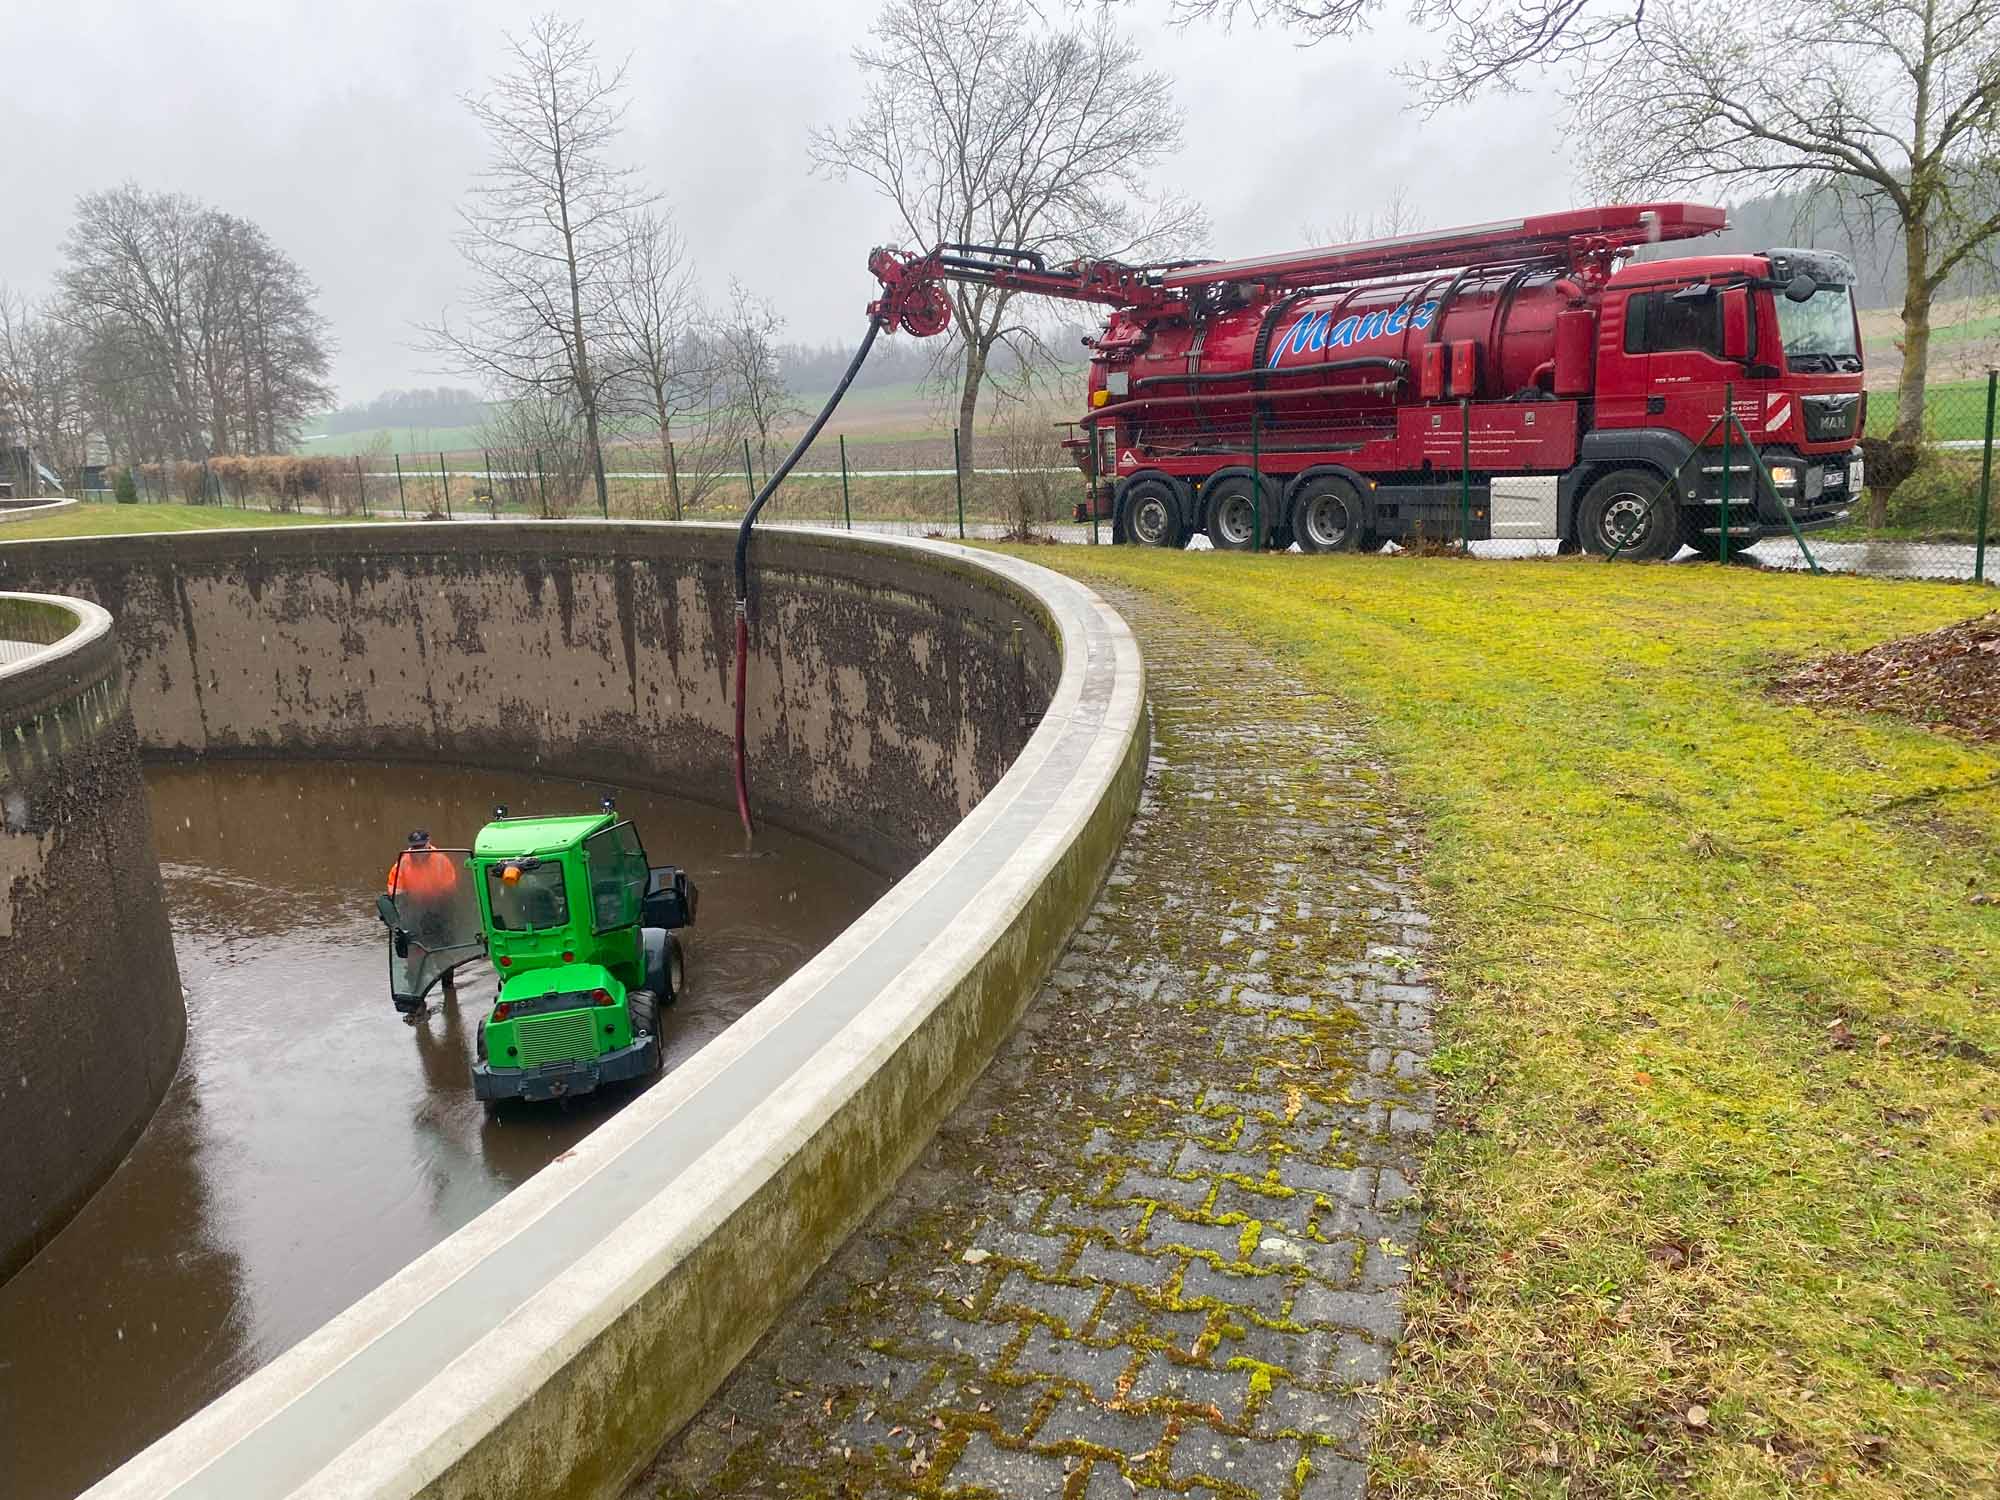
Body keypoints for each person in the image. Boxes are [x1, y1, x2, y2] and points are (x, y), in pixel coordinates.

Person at [388, 830, 463, 1021]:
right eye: (415, 847)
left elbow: (450, 888)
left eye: (421, 847)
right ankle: (417, 1005)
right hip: (413, 913)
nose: (418, 851)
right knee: (413, 960)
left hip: (439, 912)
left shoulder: (441, 860)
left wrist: (437, 905)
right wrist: (406, 907)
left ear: (429, 844)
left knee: (444, 956)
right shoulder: (402, 863)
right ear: (409, 847)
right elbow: (394, 890)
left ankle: (449, 992)